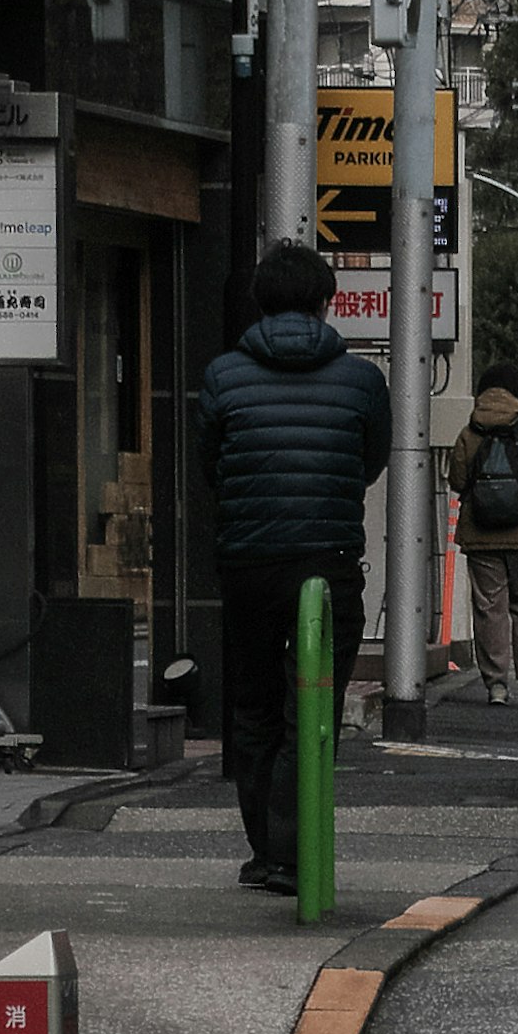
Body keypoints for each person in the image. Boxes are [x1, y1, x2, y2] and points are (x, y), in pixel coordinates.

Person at [196, 242, 392, 889]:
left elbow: (212, 471)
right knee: (311, 706)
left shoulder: (225, 375)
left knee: (251, 706)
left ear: (258, 301)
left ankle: (267, 850)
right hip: (328, 561)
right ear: (325, 300)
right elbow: (370, 463)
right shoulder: (362, 380)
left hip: (249, 560)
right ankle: (291, 849)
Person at [445, 369, 518, 700]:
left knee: (489, 608)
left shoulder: (470, 432)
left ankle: (496, 684)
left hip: (482, 535)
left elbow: (456, 480)